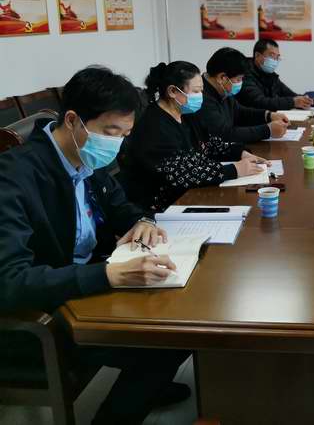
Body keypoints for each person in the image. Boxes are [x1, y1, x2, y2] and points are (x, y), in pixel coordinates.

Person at [0, 66, 191, 424]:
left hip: (85, 281)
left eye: (125, 134)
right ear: (73, 120)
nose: (116, 144)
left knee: (180, 312)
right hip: (45, 309)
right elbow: (9, 281)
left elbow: (121, 207)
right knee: (167, 342)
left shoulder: (85, 156)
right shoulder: (14, 176)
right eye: (111, 132)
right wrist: (108, 275)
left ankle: (147, 385)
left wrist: (143, 222)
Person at [120, 61, 267, 212]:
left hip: (192, 194)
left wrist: (240, 152)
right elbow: (181, 174)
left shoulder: (187, 114)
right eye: (196, 91)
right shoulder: (153, 126)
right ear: (172, 91)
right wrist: (234, 170)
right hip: (164, 207)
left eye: (201, 91)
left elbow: (209, 145)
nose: (200, 96)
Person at [196, 47, 289, 143]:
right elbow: (224, 134)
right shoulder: (201, 98)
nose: (241, 82)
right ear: (222, 78)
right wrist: (267, 130)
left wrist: (268, 115)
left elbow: (240, 113)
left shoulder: (222, 90)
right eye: (238, 79)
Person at [236, 38, 313, 111]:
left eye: (277, 57)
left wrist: (305, 100)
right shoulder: (244, 74)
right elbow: (260, 102)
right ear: (257, 55)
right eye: (272, 56)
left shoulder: (271, 75)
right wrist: (293, 102)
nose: (275, 61)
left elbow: (290, 94)